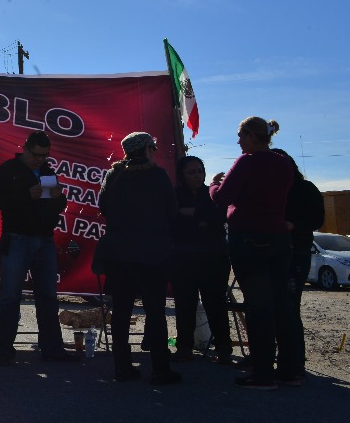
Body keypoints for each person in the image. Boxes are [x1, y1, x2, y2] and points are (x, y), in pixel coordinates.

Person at [210, 117, 296, 390]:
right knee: (281, 304)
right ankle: (290, 370)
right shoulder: (283, 163)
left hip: (249, 237)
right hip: (279, 238)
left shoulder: (247, 161)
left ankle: (261, 373)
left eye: (241, 135)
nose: (238, 141)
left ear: (252, 136)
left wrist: (214, 185)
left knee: (258, 307)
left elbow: (222, 198)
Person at [94, 131, 181, 385]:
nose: (154, 151)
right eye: (152, 147)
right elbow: (172, 210)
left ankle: (122, 367)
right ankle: (161, 369)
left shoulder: (114, 175)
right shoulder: (157, 175)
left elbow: (103, 207)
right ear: (144, 150)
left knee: (121, 312)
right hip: (153, 255)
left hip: (119, 256)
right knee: (155, 311)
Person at [0, 131, 78, 366]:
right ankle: (4, 351)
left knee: (48, 296)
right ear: (25, 149)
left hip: (44, 239)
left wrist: (60, 199)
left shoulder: (48, 171)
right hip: (17, 237)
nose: (41, 160)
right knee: (10, 296)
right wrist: (25, 195)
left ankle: (52, 348)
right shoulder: (9, 169)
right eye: (37, 155)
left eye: (45, 155)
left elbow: (55, 206)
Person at [169, 155, 233, 363]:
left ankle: (224, 347)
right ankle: (184, 346)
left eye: (200, 171)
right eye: (191, 172)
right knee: (185, 304)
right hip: (183, 259)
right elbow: (174, 222)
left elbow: (219, 218)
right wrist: (202, 220)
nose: (197, 175)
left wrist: (193, 213)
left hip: (213, 257)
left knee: (215, 303)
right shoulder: (174, 195)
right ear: (182, 175)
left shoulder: (212, 194)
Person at [273, 147, 325, 380]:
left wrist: (294, 225)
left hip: (296, 252)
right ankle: (273, 360)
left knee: (289, 308)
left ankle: (293, 366)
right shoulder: (268, 189)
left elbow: (317, 219)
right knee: (272, 308)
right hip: (270, 252)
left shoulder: (305, 188)